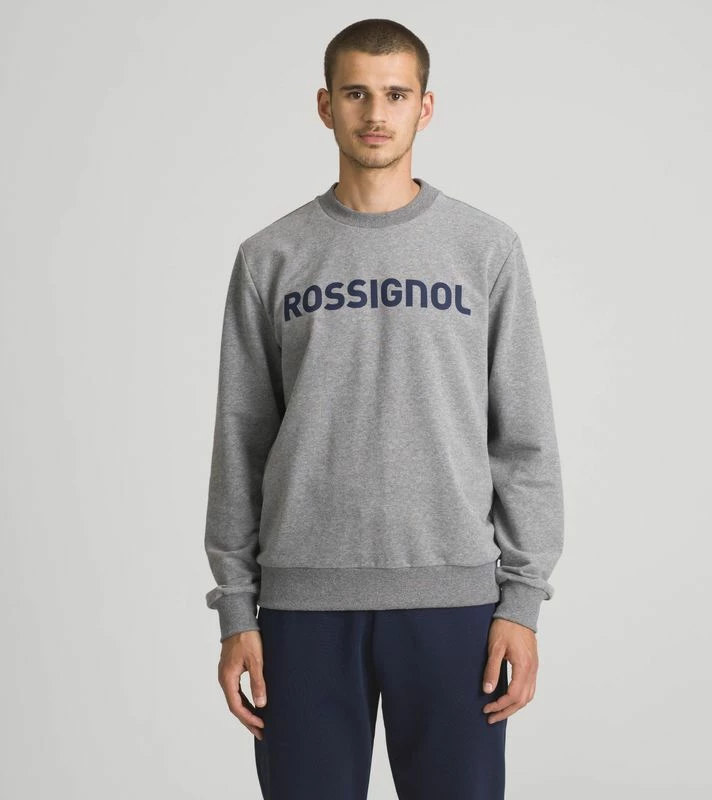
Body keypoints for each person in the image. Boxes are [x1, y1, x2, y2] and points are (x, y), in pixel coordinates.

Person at [203, 17, 564, 800]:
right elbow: (241, 440)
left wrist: (522, 602)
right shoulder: (270, 257)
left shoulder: (485, 249)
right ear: (325, 105)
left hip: (455, 604)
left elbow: (524, 439)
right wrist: (235, 610)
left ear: (425, 108)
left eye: (396, 95)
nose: (376, 113)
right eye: (357, 93)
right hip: (301, 607)